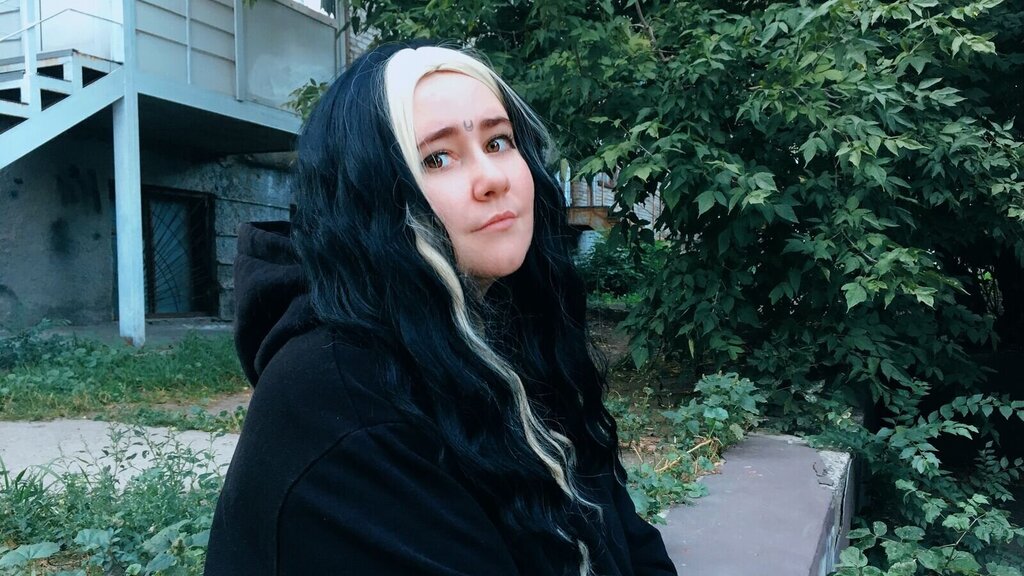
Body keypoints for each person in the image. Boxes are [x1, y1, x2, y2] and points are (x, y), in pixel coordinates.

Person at [204, 40, 677, 576]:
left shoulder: (509, 329)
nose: (493, 178)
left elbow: (628, 539)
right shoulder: (338, 399)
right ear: (370, 196)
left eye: (498, 141)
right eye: (437, 157)